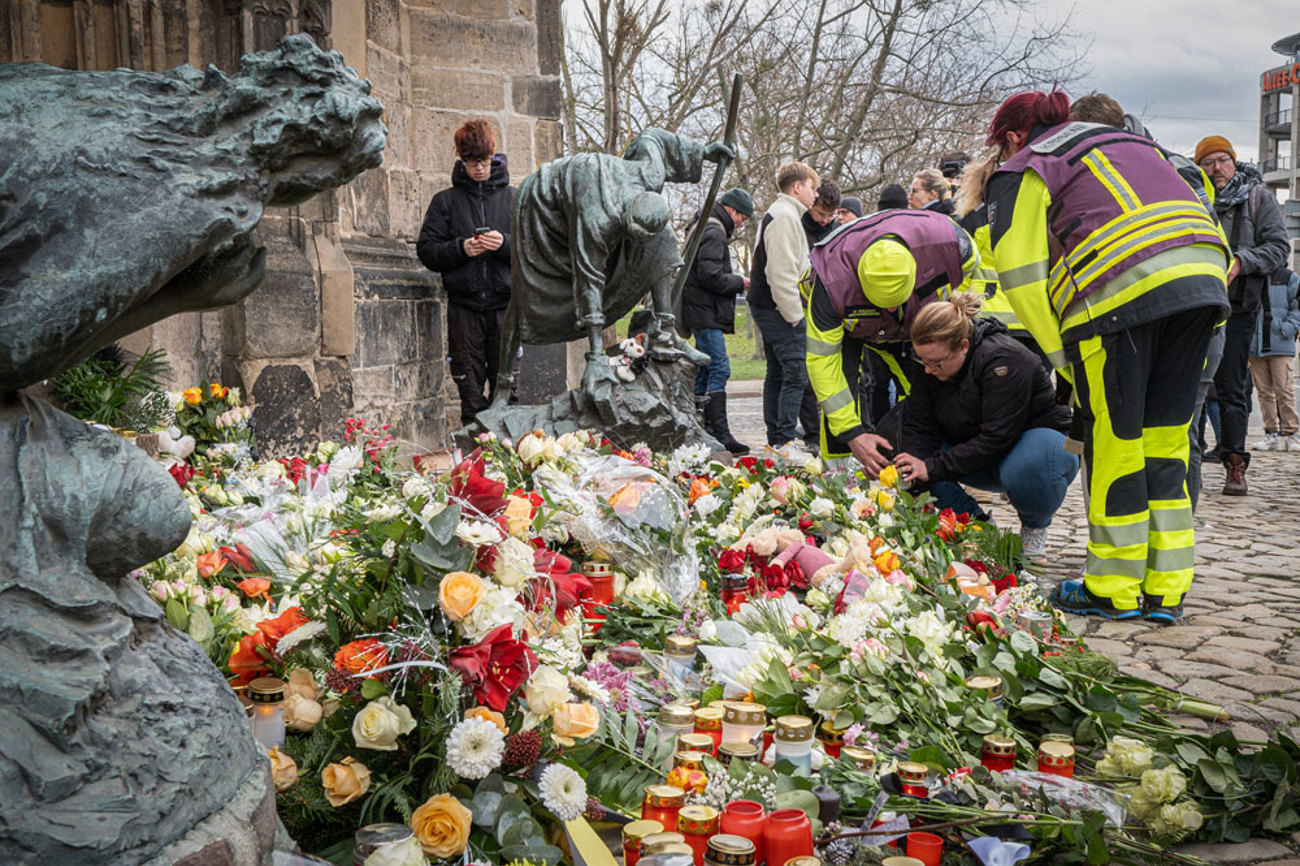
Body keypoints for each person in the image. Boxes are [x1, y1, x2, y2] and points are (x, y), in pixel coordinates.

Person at [985, 91, 1230, 622]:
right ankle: (1166, 589)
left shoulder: (1028, 166)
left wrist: (1063, 357)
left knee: (1116, 443)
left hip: (1120, 293)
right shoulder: (1135, 144)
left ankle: (1112, 589)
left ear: (1012, 138)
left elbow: (1021, 275)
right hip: (1202, 280)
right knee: (1165, 443)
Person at [494, 129, 731, 405]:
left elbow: (652, 138)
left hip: (591, 198)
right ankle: (502, 386)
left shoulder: (649, 176)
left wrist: (703, 151)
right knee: (524, 300)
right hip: (541, 207)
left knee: (663, 241)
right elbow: (589, 278)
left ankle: (666, 332)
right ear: (625, 223)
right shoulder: (597, 218)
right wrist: (596, 357)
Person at [893, 295, 1077, 558]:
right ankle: (975, 525)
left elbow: (997, 437)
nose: (928, 371)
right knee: (901, 442)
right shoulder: (931, 362)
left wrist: (931, 467)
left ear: (963, 346)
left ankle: (1034, 526)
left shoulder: (1005, 359)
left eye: (936, 363)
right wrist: (915, 472)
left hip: (1026, 447)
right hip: (974, 448)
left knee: (1034, 463)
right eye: (923, 361)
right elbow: (919, 422)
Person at [803, 208, 977, 469]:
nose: (888, 312)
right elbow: (823, 363)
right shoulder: (829, 285)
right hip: (849, 323)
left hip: (914, 320)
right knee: (841, 396)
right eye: (882, 306)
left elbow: (970, 282)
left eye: (893, 305)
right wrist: (851, 433)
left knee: (926, 388)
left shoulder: (952, 244)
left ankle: (933, 469)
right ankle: (838, 485)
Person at [1196, 135, 1292, 495]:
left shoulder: (1257, 197)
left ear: (1233, 162)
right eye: (1208, 162)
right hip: (1192, 305)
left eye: (1222, 160)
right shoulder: (1191, 198)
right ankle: (1182, 462)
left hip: (1237, 308)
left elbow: (1278, 248)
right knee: (1186, 387)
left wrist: (1240, 261)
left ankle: (1234, 464)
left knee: (1232, 389)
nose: (1216, 168)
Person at [417, 119, 514, 424]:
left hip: (505, 308)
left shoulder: (515, 198)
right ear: (461, 160)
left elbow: (536, 249)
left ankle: (511, 464)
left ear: (493, 156)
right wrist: (461, 249)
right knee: (470, 394)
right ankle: (475, 465)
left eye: (484, 162)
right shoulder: (445, 202)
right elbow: (427, 251)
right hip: (464, 310)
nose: (479, 169)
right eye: (472, 163)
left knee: (508, 392)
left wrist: (504, 244)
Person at [749, 161, 821, 449]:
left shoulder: (781, 214)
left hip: (770, 306)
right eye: (813, 189)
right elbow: (780, 272)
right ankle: (784, 440)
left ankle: (778, 439)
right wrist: (793, 314)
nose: (816, 195)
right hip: (778, 309)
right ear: (798, 187)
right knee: (796, 373)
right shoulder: (784, 217)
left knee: (778, 373)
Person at [682, 187, 755, 454]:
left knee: (703, 368)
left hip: (698, 309)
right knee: (719, 367)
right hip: (705, 311)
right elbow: (710, 275)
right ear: (732, 210)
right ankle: (719, 433)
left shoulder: (705, 225)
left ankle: (699, 429)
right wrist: (740, 282)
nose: (741, 223)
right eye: (742, 217)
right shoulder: (714, 232)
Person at [799, 180, 844, 449]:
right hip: (805, 303)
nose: (826, 221)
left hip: (830, 304)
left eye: (831, 215)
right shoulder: (799, 226)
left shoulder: (836, 230)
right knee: (807, 374)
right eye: (821, 215)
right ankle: (813, 433)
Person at [1249, 266, 1300, 452]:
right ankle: (1271, 434)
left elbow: (1297, 307)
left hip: (1280, 343)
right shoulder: (1252, 275)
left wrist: (1287, 329)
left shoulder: (1289, 278)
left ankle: (1292, 434)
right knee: (1263, 393)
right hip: (1255, 344)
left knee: (1284, 390)